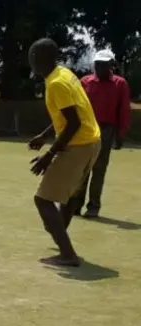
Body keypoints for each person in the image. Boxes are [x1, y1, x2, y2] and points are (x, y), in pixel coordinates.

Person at [27, 38, 102, 267]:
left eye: (32, 58)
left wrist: (49, 156)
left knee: (43, 200)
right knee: (68, 197)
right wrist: (45, 135)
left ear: (38, 60)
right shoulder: (64, 74)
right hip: (92, 141)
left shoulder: (56, 84)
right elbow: (69, 116)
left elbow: (73, 124)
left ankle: (67, 254)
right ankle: (61, 236)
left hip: (79, 144)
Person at [76, 50, 131, 218]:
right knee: (81, 169)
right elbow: (77, 106)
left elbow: (123, 110)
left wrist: (120, 134)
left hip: (107, 129)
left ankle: (93, 207)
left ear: (110, 65)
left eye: (104, 64)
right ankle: (75, 205)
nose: (100, 67)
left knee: (98, 169)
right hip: (85, 129)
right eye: (98, 64)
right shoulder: (85, 82)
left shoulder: (120, 84)